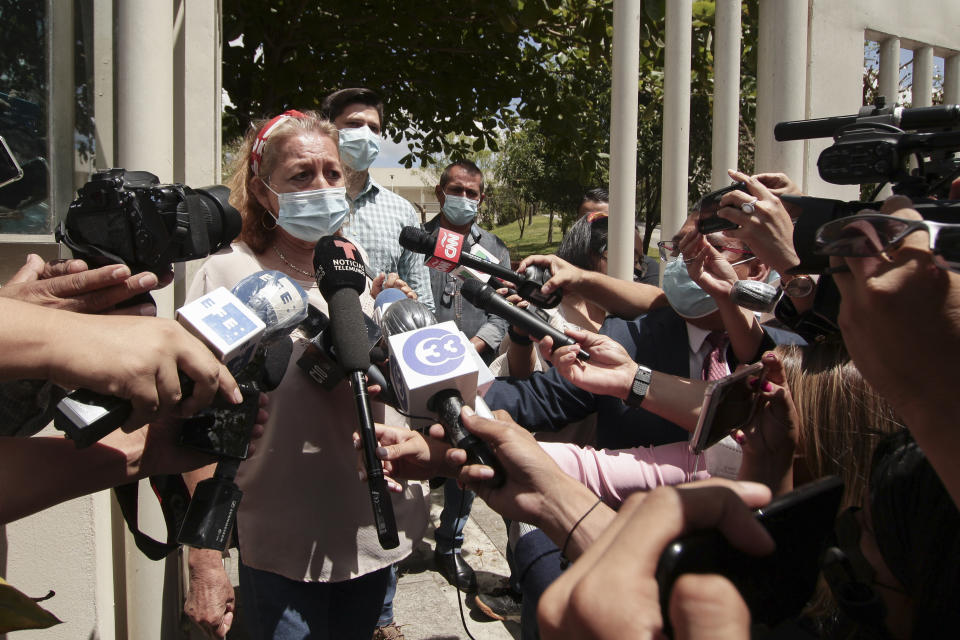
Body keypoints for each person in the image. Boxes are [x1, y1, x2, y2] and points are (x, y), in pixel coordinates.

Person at [182, 110, 428, 640]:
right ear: (264, 190)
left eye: (332, 173)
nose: (321, 186)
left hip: (368, 532)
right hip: (278, 544)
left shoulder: (350, 265)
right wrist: (204, 559)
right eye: (301, 175)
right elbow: (193, 423)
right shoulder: (227, 274)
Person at [424, 159, 510, 591]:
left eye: (471, 193)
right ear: (440, 193)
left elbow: (501, 314)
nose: (463, 198)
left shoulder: (494, 250)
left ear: (481, 198)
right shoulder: (417, 241)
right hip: (417, 366)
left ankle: (449, 544)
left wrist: (471, 349)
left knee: (467, 453)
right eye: (455, 190)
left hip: (473, 368)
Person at [320, 87, 435, 312]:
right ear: (329, 130)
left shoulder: (401, 210)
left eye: (374, 128)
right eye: (354, 124)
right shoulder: (306, 204)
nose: (365, 134)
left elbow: (423, 302)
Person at [576, 187, 659, 284]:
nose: (593, 229)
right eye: (587, 220)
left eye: (604, 222)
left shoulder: (647, 270)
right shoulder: (561, 264)